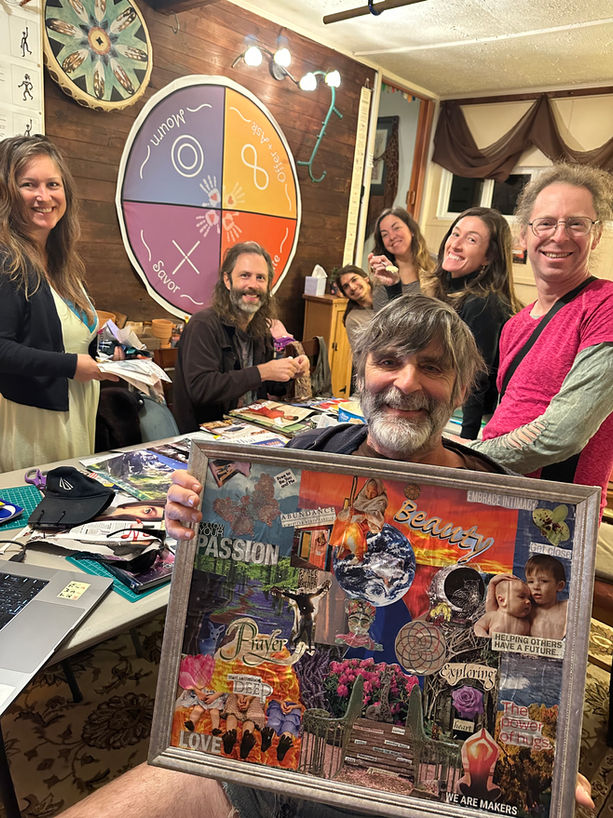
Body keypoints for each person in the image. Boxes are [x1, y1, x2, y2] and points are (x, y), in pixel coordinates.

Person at [57, 295, 595, 817]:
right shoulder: (307, 456)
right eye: (389, 361)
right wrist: (195, 518)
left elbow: (530, 667)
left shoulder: (508, 503)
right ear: (362, 374)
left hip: (416, 797)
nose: (407, 382)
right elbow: (233, 577)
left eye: (431, 367)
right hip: (257, 758)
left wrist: (547, 755)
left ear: (460, 390)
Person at [467, 164, 613, 522]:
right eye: (545, 223)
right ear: (524, 235)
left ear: (595, 235)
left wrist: (468, 457)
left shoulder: (605, 305)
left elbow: (563, 434)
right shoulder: (514, 325)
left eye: (576, 224)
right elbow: (506, 415)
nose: (559, 236)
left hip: (554, 518)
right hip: (493, 499)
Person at [0, 135, 116, 472]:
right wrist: (71, 365)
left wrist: (115, 353)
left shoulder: (63, 264)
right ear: (7, 193)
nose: (44, 196)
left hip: (76, 415)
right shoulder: (8, 263)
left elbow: (71, 337)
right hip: (34, 426)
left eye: (53, 184)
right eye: (28, 185)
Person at [172, 241, 309, 432]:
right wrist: (262, 372)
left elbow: (269, 386)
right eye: (245, 275)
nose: (253, 285)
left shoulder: (260, 328)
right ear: (227, 281)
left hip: (252, 430)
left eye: (260, 278)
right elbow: (201, 389)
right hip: (206, 434)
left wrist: (292, 371)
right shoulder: (202, 325)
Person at [422, 207, 522, 438]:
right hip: (450, 404)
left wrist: (467, 442)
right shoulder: (447, 291)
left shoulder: (483, 302)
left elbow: (477, 376)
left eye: (471, 240)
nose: (455, 245)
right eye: (455, 234)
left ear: (489, 256)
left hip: (474, 419)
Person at [366, 207, 433, 311]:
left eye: (396, 228)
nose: (392, 237)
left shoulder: (438, 264)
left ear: (411, 230)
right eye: (385, 234)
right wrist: (393, 287)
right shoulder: (383, 279)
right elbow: (384, 319)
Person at [525, 553, 567, 639]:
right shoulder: (526, 609)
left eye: (544, 581)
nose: (536, 587)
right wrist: (495, 581)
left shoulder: (567, 608)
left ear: (560, 586)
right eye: (530, 582)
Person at [332, 264, 373, 352]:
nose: (352, 287)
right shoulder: (353, 319)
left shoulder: (387, 295)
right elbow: (362, 353)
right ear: (345, 294)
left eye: (354, 280)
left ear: (366, 278)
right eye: (346, 286)